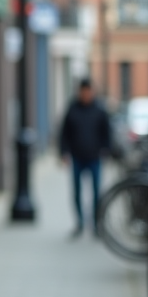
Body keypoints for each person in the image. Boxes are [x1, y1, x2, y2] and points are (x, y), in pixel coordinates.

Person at [59, 78, 112, 236]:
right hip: (77, 157)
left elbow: (107, 133)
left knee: (96, 192)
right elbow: (64, 133)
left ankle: (96, 224)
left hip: (94, 157)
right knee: (77, 192)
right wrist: (63, 152)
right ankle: (80, 223)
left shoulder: (100, 110)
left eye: (88, 91)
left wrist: (106, 150)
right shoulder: (72, 109)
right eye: (83, 91)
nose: (86, 94)